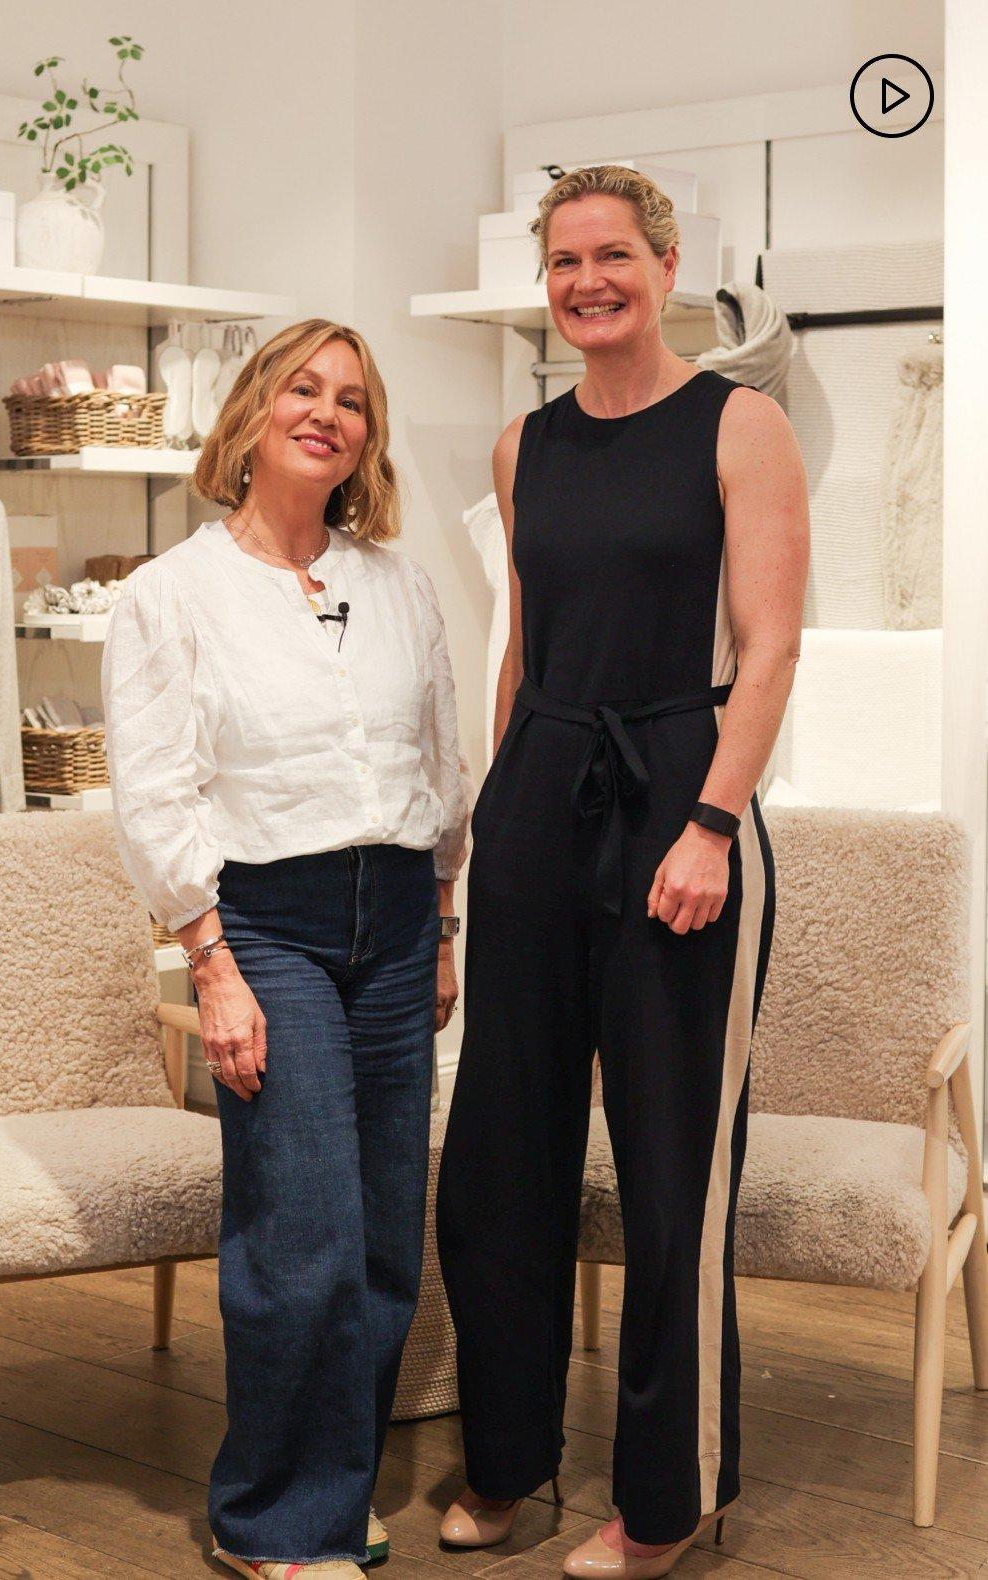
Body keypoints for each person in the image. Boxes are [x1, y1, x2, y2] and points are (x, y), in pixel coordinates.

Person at [436, 166, 809, 1578]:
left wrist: (710, 823)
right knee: (496, 1166)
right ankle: (506, 1461)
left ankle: (668, 1499)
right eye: (563, 262)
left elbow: (767, 648)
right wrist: (492, 826)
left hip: (679, 791)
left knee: (668, 1182)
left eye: (613, 256)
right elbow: (521, 651)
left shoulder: (739, 422)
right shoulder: (522, 446)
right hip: (539, 792)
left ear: (665, 268)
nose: (587, 281)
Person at [101, 318, 473, 1580]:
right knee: (298, 1228)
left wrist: (443, 921)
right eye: (303, 390)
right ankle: (271, 1519)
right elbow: (157, 792)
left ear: (368, 436)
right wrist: (210, 959)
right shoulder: (174, 594)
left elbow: (438, 760)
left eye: (352, 401)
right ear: (254, 411)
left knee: (379, 1233)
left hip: (399, 910)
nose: (328, 414)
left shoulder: (400, 582)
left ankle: (333, 1483)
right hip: (266, 924)